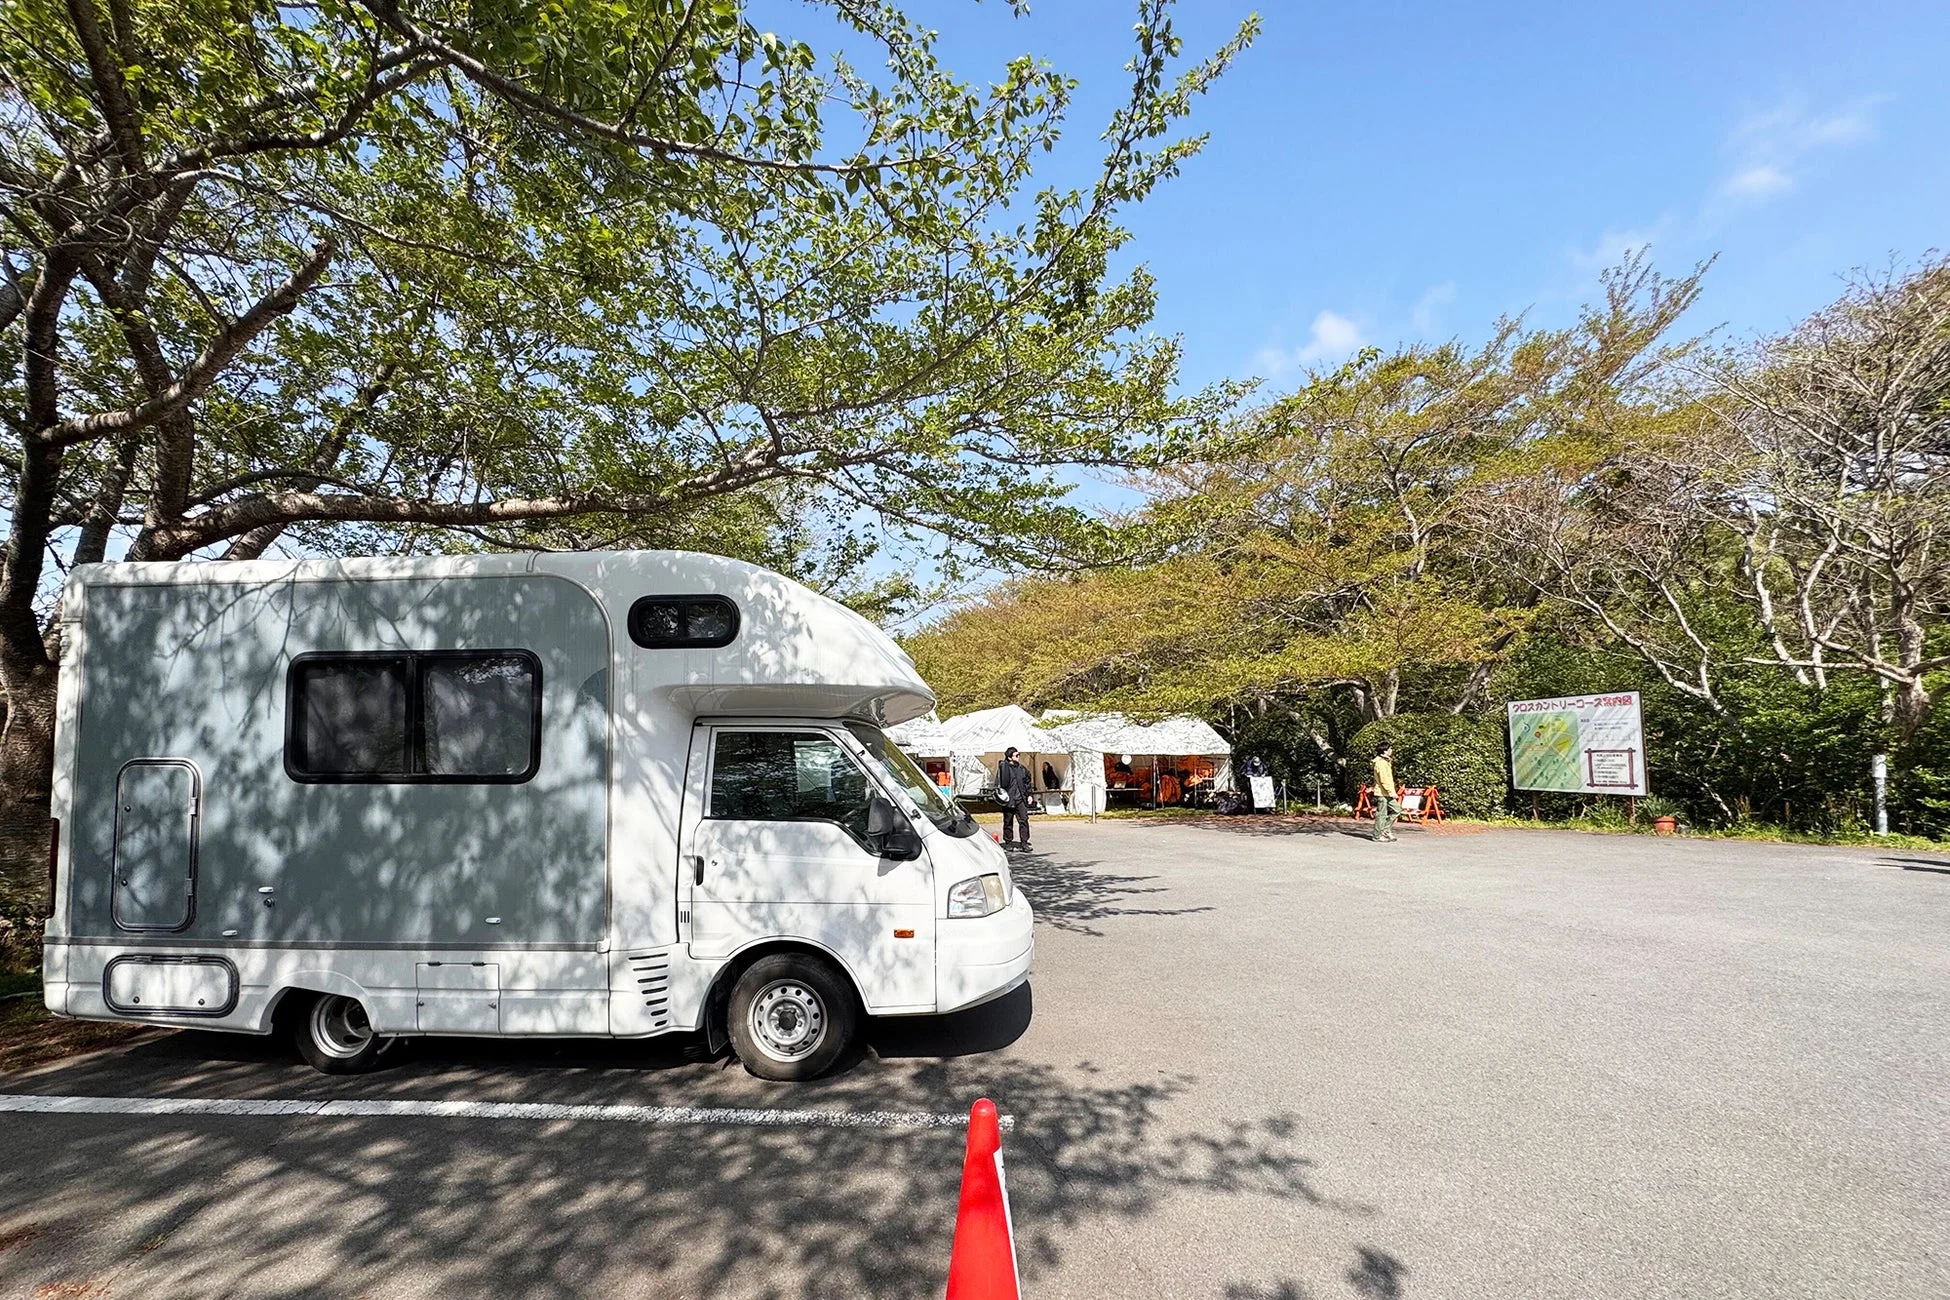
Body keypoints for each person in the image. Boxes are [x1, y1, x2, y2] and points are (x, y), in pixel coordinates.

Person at [996, 745, 1034, 851]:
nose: (1018, 757)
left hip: (1020, 799)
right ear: (1009, 757)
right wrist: (1000, 797)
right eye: (1016, 755)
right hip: (1009, 799)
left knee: (1024, 820)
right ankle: (1008, 842)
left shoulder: (1022, 769)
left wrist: (1030, 795)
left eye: (1019, 755)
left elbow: (1027, 782)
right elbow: (998, 783)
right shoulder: (1004, 768)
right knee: (1008, 821)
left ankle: (1024, 843)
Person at [1371, 743, 1401, 842]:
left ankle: (1385, 830)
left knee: (1397, 809)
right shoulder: (1380, 763)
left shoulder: (1386, 762)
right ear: (1384, 751)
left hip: (1387, 793)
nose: (1391, 750)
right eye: (1390, 749)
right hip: (1382, 793)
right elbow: (1383, 780)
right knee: (1381, 814)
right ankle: (1377, 835)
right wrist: (1391, 792)